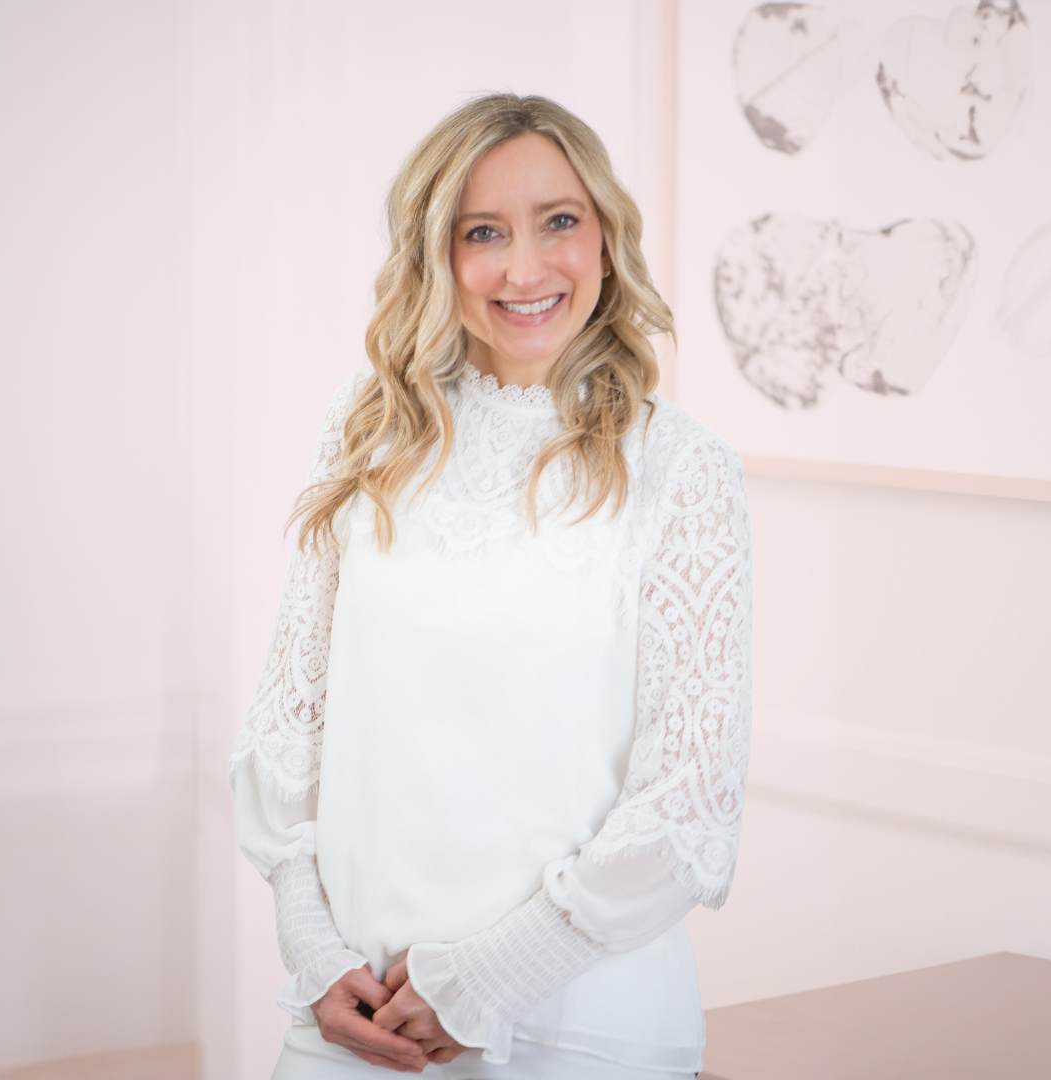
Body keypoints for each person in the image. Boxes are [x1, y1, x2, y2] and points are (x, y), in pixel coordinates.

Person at [229, 94, 753, 1079]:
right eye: (483, 232)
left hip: (580, 1026)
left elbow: (686, 807)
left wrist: (479, 981)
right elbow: (286, 734)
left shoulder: (684, 470)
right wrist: (316, 954)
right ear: (438, 253)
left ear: (604, 236)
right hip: (356, 1018)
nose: (525, 268)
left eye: (559, 220)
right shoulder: (367, 429)